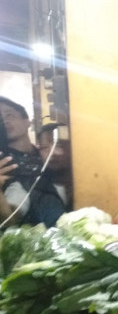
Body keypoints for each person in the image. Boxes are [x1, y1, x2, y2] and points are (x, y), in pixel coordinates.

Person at [0, 97, 66, 227]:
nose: (4, 121)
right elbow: (9, 222)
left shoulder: (48, 154)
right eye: (0, 118)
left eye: (9, 115)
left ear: (27, 122)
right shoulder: (3, 165)